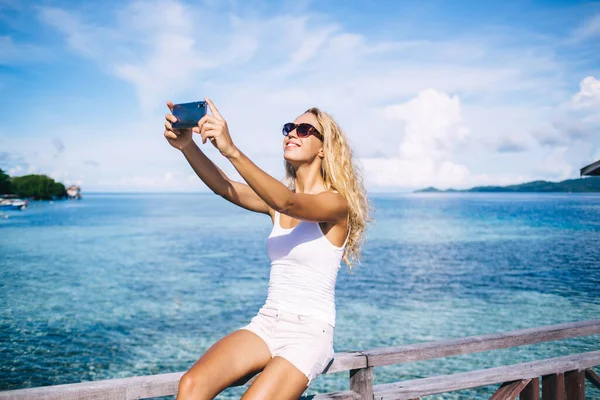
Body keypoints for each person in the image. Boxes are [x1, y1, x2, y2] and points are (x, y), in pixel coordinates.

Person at [164, 97, 371, 400]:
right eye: (289, 128)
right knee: (192, 384)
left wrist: (230, 149)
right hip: (267, 322)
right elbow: (224, 186)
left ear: (325, 147)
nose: (291, 133)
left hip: (309, 333)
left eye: (304, 130)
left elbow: (288, 202)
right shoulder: (278, 202)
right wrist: (187, 146)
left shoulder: (336, 204)